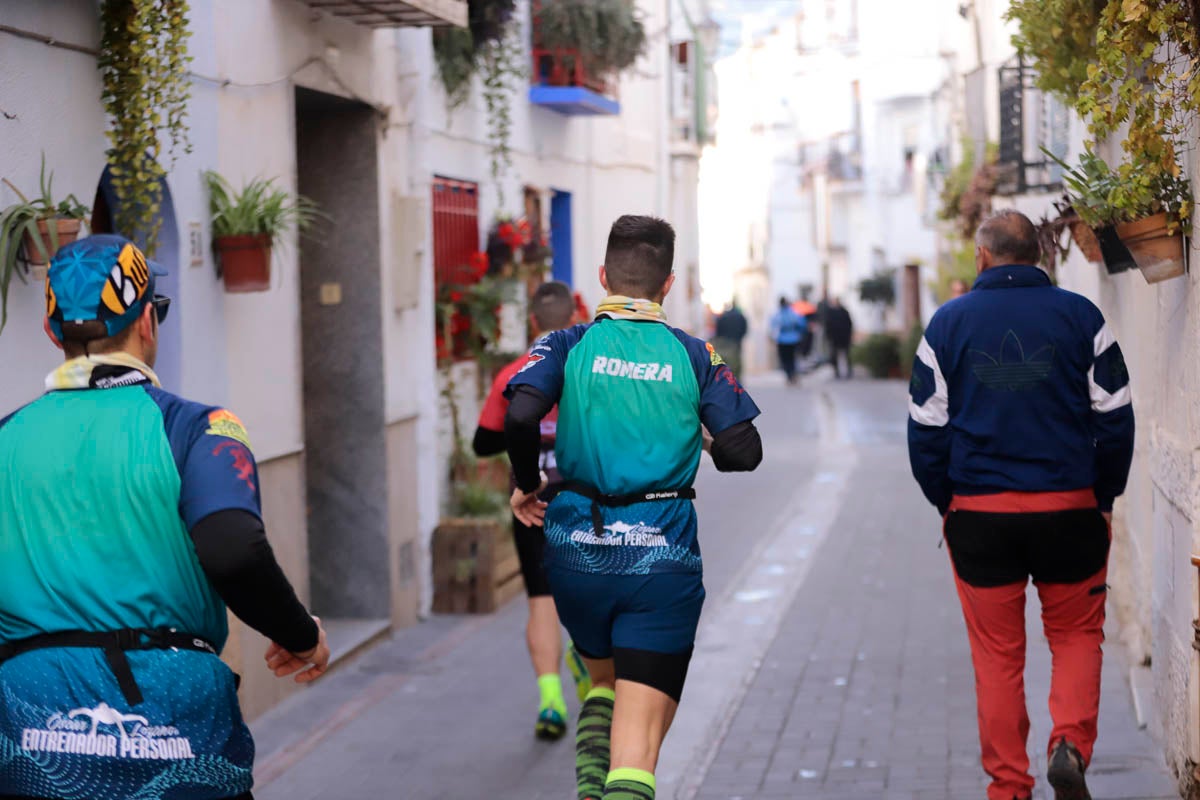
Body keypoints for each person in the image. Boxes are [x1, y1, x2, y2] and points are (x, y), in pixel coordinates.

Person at [0, 234, 330, 800]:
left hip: (30, 729)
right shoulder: (201, 429)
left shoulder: (7, 437)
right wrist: (299, 635)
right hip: (173, 725)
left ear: (53, 333)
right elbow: (233, 546)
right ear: (148, 322)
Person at [504, 215, 762, 800]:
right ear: (667, 285)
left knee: (604, 682)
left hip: (576, 555)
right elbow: (744, 452)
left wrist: (527, 481)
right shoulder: (694, 355)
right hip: (659, 560)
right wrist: (697, 434)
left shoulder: (565, 342)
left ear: (603, 276)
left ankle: (591, 780)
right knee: (639, 744)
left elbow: (520, 415)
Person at [907, 210, 1135, 800]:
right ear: (1039, 253)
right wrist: (1104, 497)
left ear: (982, 256)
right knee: (1077, 635)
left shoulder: (947, 324)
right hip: (1069, 508)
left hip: (979, 515)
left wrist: (948, 501)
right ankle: (1070, 745)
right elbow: (1116, 417)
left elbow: (925, 432)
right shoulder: (1081, 317)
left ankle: (1009, 785)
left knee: (997, 657)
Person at [473, 280, 592, 741]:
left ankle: (550, 702)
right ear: (574, 318)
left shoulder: (514, 373)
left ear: (532, 321)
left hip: (531, 502)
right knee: (588, 591)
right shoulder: (589, 368)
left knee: (541, 601)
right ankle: (589, 668)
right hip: (587, 499)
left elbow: (483, 442)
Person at [768, 296, 806, 384]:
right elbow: (801, 324)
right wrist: (799, 333)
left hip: (782, 340)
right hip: (794, 339)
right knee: (793, 358)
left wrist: (773, 337)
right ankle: (793, 374)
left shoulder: (778, 314)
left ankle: (789, 375)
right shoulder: (794, 313)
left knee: (785, 359)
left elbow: (773, 326)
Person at [713, 302, 748, 378]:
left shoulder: (723, 316)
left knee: (726, 361)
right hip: (736, 342)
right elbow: (745, 329)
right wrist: (739, 337)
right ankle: (737, 378)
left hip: (724, 342)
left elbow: (718, 330)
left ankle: (727, 378)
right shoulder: (740, 316)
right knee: (736, 362)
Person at [824, 296, 854, 379]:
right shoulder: (831, 313)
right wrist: (829, 336)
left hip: (844, 337)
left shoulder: (844, 312)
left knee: (846, 355)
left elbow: (849, 324)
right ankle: (836, 372)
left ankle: (849, 371)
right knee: (835, 355)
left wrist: (849, 335)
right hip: (835, 338)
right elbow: (828, 325)